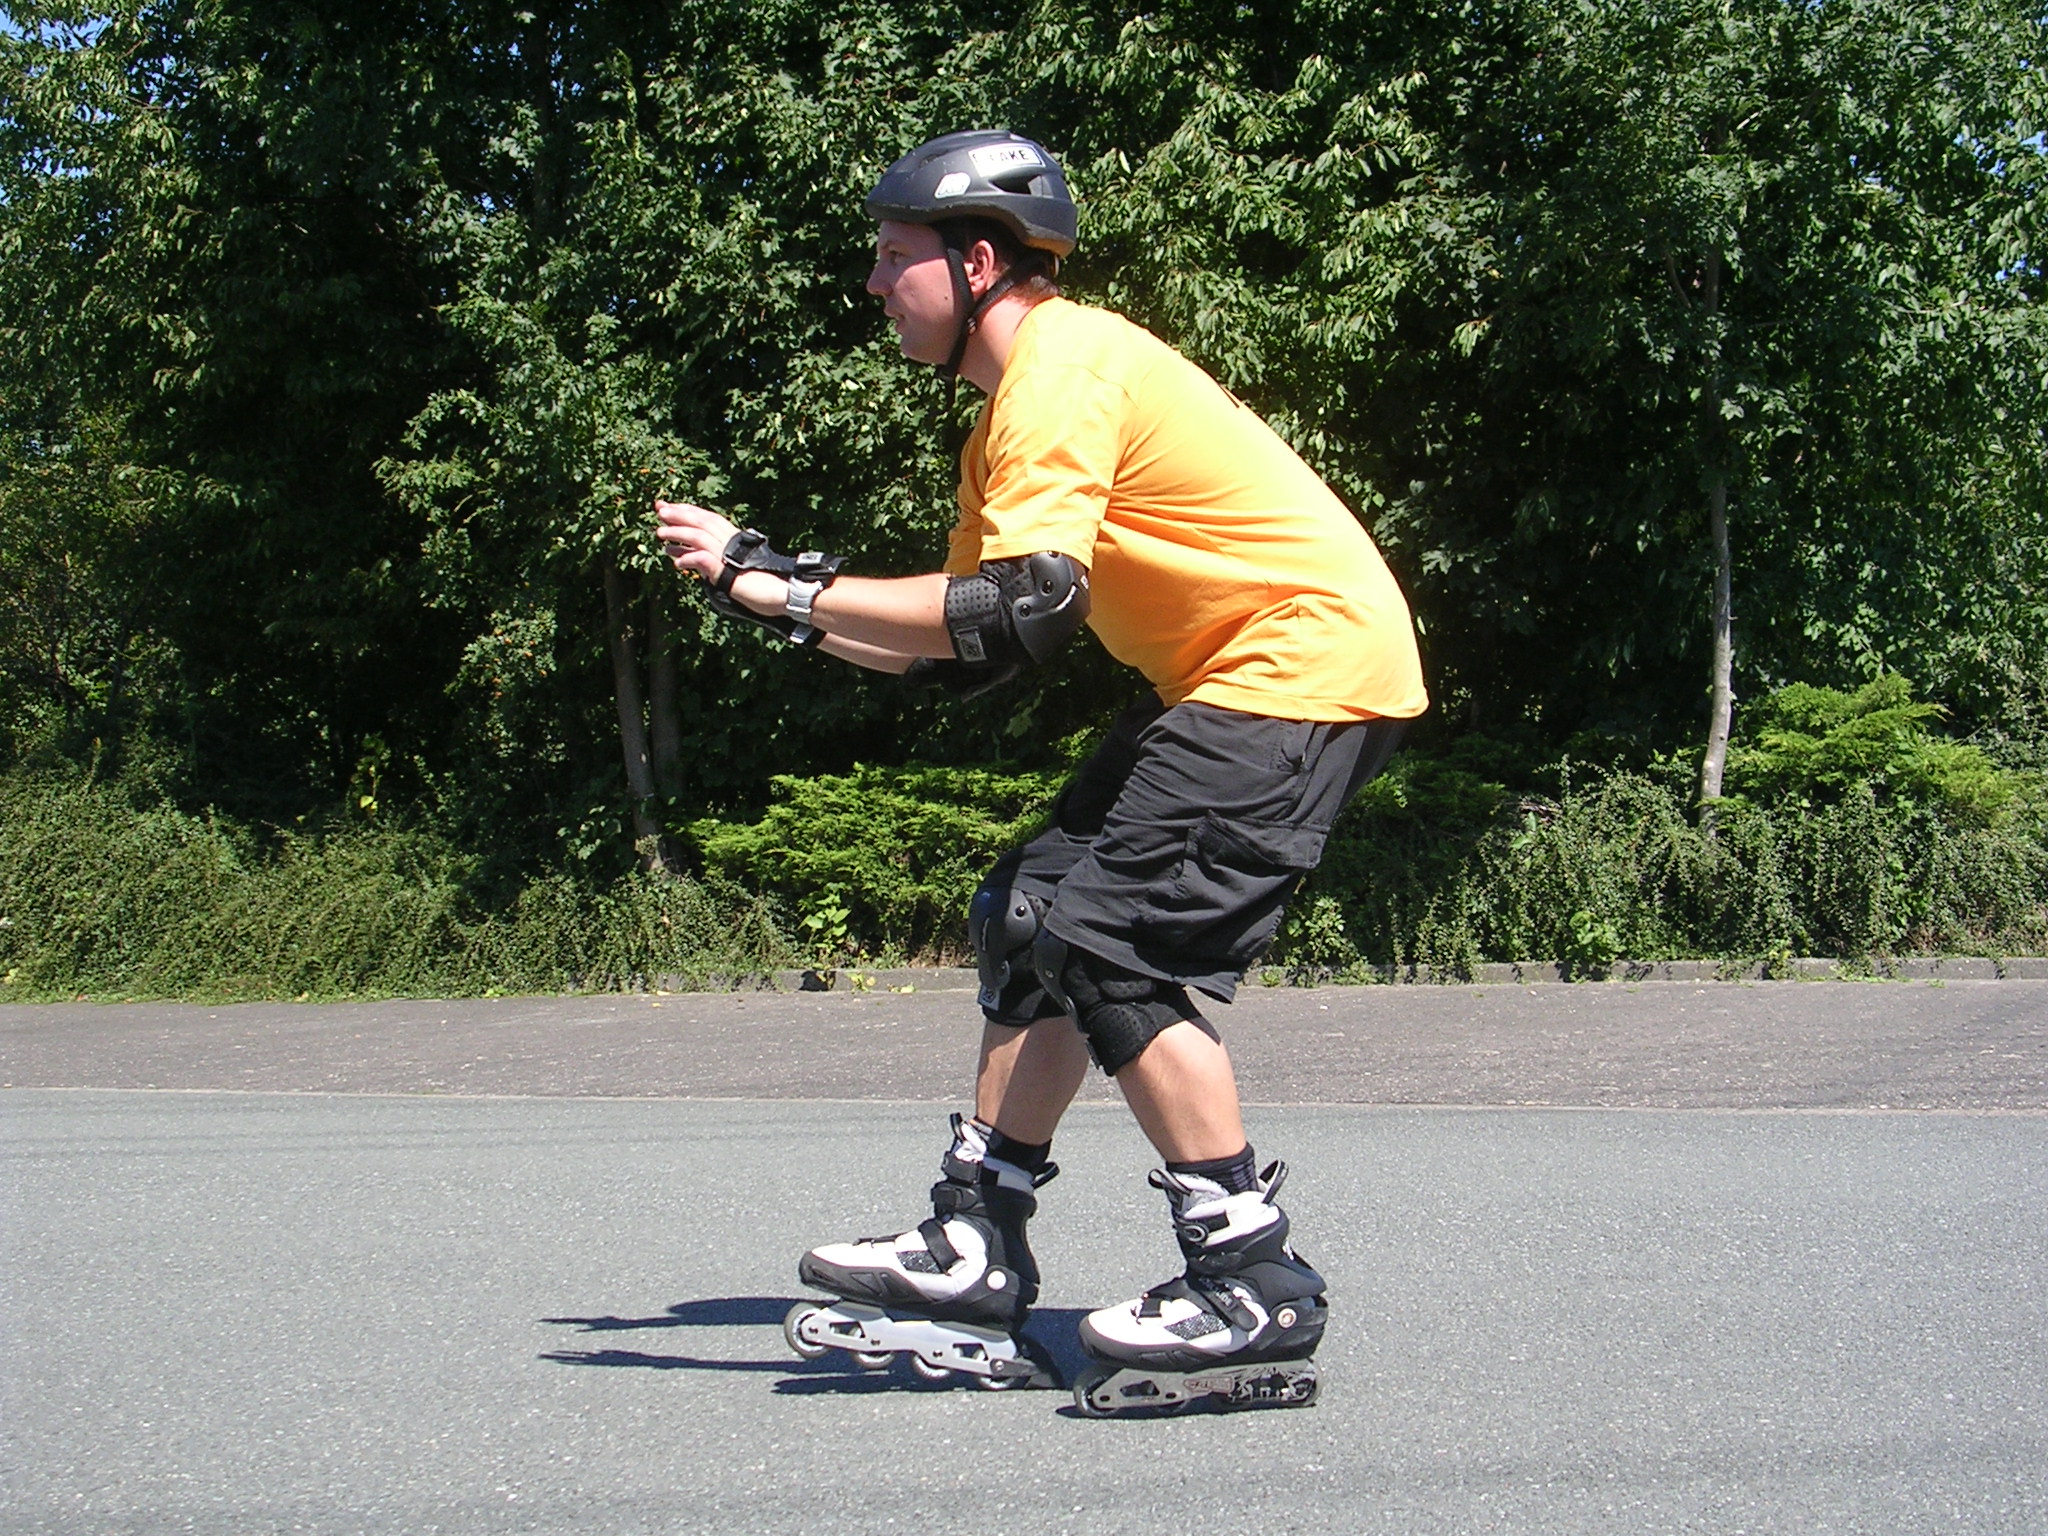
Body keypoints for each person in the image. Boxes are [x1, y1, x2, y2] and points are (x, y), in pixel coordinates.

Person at [655, 129, 1427, 1415]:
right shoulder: (1003, 419)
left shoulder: (1062, 364)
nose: (870, 284)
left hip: (1298, 668)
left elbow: (1023, 607)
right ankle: (974, 1239)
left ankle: (1248, 1278)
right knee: (1029, 918)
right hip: (1226, 677)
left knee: (1113, 945)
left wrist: (781, 583)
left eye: (891, 259)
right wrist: (781, 601)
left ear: (973, 262)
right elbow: (963, 649)